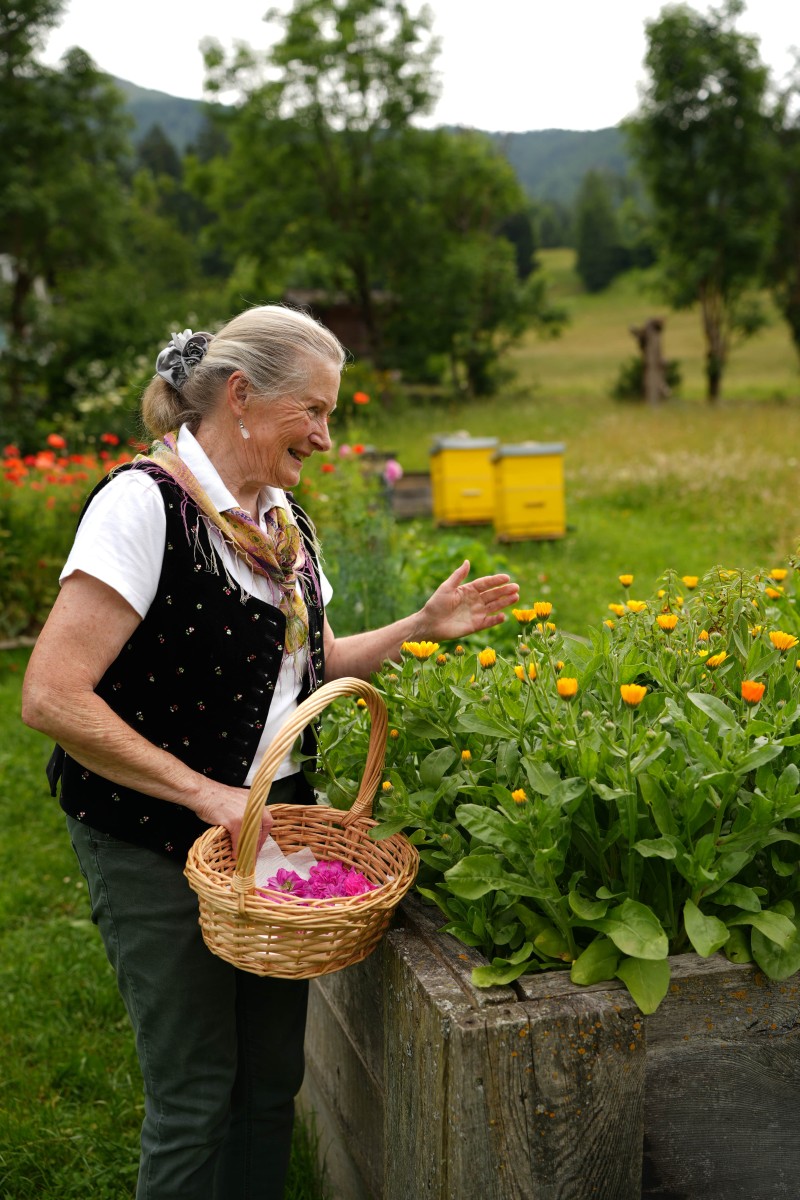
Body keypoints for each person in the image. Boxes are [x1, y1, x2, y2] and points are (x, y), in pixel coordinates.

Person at [21, 305, 519, 1200]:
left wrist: (421, 625)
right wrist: (206, 793)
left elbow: (311, 659)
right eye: (315, 412)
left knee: (269, 1084)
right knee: (195, 1093)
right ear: (243, 397)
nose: (328, 437)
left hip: (266, 829)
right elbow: (51, 696)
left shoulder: (281, 524)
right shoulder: (145, 507)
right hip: (148, 832)